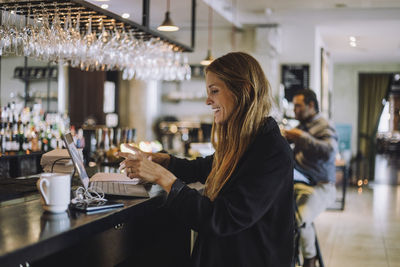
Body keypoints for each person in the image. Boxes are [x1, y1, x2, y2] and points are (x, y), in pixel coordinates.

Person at [118, 52, 294, 267]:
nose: (208, 100)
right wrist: (165, 162)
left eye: (214, 91)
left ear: (244, 90)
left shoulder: (270, 150)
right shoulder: (248, 140)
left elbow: (222, 218)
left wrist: (163, 178)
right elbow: (205, 167)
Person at [283, 89, 337, 267]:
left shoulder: (324, 125)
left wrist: (302, 137)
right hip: (300, 184)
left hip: (320, 186)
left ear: (311, 105)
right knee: (280, 215)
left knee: (300, 218)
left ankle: (309, 259)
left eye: (298, 106)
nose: (294, 110)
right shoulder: (302, 126)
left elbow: (329, 150)